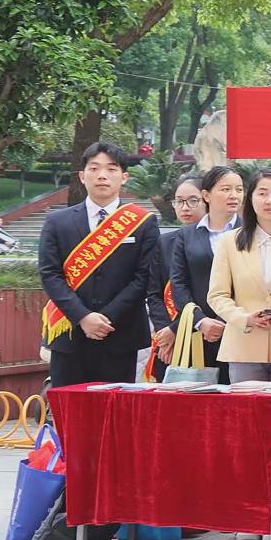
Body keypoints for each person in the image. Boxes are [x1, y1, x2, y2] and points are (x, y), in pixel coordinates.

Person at [37, 142, 172, 387]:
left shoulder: (143, 222)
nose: (102, 175)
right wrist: (83, 317)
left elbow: (145, 276)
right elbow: (50, 274)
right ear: (82, 176)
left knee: (114, 408)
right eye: (94, 168)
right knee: (69, 407)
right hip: (70, 332)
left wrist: (106, 318)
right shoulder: (57, 221)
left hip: (121, 333)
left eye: (111, 169)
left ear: (124, 177)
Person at [208, 168, 271, 384]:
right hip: (244, 346)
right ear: (250, 198)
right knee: (247, 406)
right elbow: (217, 295)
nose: (270, 200)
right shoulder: (229, 242)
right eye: (262, 193)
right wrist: (244, 318)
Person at [169, 165, 243, 384]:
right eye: (226, 189)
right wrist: (200, 321)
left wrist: (225, 320)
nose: (234, 195)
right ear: (206, 195)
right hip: (198, 332)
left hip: (240, 329)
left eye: (239, 189)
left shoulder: (250, 232)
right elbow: (179, 283)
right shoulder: (187, 235)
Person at [152, 175, 204, 378]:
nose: (185, 208)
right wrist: (164, 331)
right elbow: (154, 293)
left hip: (203, 331)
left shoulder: (219, 242)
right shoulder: (164, 242)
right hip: (166, 339)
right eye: (179, 201)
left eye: (193, 201)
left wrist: (176, 329)